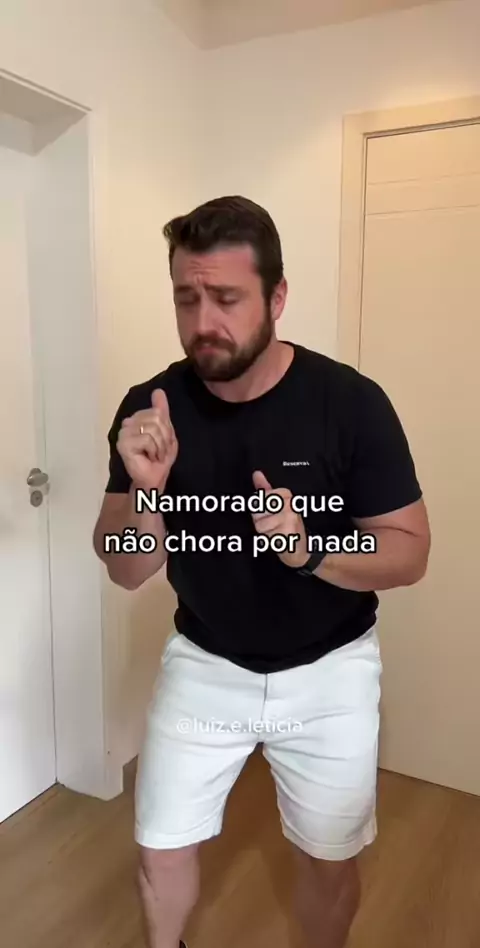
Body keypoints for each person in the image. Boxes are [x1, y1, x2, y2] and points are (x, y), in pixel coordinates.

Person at [93, 195, 431, 948]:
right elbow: (125, 570)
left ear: (277, 298)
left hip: (330, 672)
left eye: (226, 298)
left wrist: (309, 550)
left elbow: (409, 551)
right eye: (186, 299)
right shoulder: (151, 410)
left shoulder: (349, 403)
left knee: (329, 860)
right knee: (160, 846)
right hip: (205, 661)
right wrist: (148, 492)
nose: (203, 321)